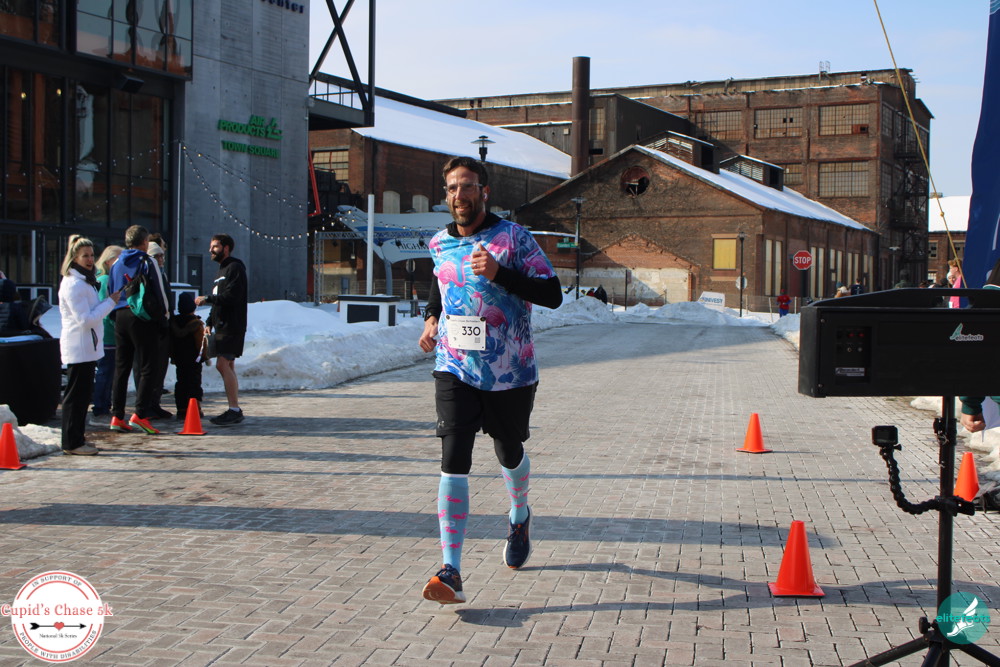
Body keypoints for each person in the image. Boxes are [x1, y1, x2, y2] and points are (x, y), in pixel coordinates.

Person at [417, 156, 563, 604]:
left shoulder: (514, 238)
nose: (459, 195)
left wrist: (500, 274)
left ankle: (519, 515)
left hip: (509, 371)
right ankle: (451, 570)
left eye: (467, 186)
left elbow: (553, 294)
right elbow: (439, 287)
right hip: (455, 365)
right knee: (453, 457)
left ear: (484, 191)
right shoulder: (439, 242)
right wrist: (430, 318)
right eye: (452, 188)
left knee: (508, 450)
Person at [58, 235, 120, 455]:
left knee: (82, 396)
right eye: (85, 255)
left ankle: (77, 438)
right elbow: (85, 319)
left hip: (87, 346)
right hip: (79, 347)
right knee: (75, 397)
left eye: (92, 255)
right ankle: (71, 443)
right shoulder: (74, 284)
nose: (90, 259)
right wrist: (110, 303)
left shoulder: (85, 281)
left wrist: (107, 302)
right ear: (74, 258)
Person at [107, 225, 170, 435]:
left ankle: (117, 416)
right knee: (148, 366)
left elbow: (110, 290)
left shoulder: (116, 263)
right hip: (141, 316)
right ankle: (140, 414)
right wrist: (164, 317)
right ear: (144, 242)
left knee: (121, 367)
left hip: (120, 316)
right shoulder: (146, 261)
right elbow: (159, 291)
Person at [196, 233, 248, 425]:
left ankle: (234, 410)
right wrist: (210, 321)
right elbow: (219, 300)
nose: (211, 250)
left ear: (226, 248)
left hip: (232, 325)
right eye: (211, 246)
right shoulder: (221, 271)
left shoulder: (235, 268)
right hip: (221, 325)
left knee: (222, 364)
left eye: (215, 246)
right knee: (228, 365)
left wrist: (207, 299)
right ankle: (234, 408)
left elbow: (232, 296)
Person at [90, 244, 123, 424]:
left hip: (109, 333)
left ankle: (103, 405)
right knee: (105, 371)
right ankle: (100, 407)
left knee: (108, 372)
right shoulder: (104, 280)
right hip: (107, 335)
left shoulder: (107, 279)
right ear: (109, 261)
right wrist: (115, 324)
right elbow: (106, 307)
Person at [170, 292, 206, 421]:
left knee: (181, 382)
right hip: (194, 359)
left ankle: (181, 409)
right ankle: (195, 409)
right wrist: (204, 356)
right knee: (194, 383)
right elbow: (201, 343)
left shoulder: (174, 322)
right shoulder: (196, 324)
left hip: (179, 359)